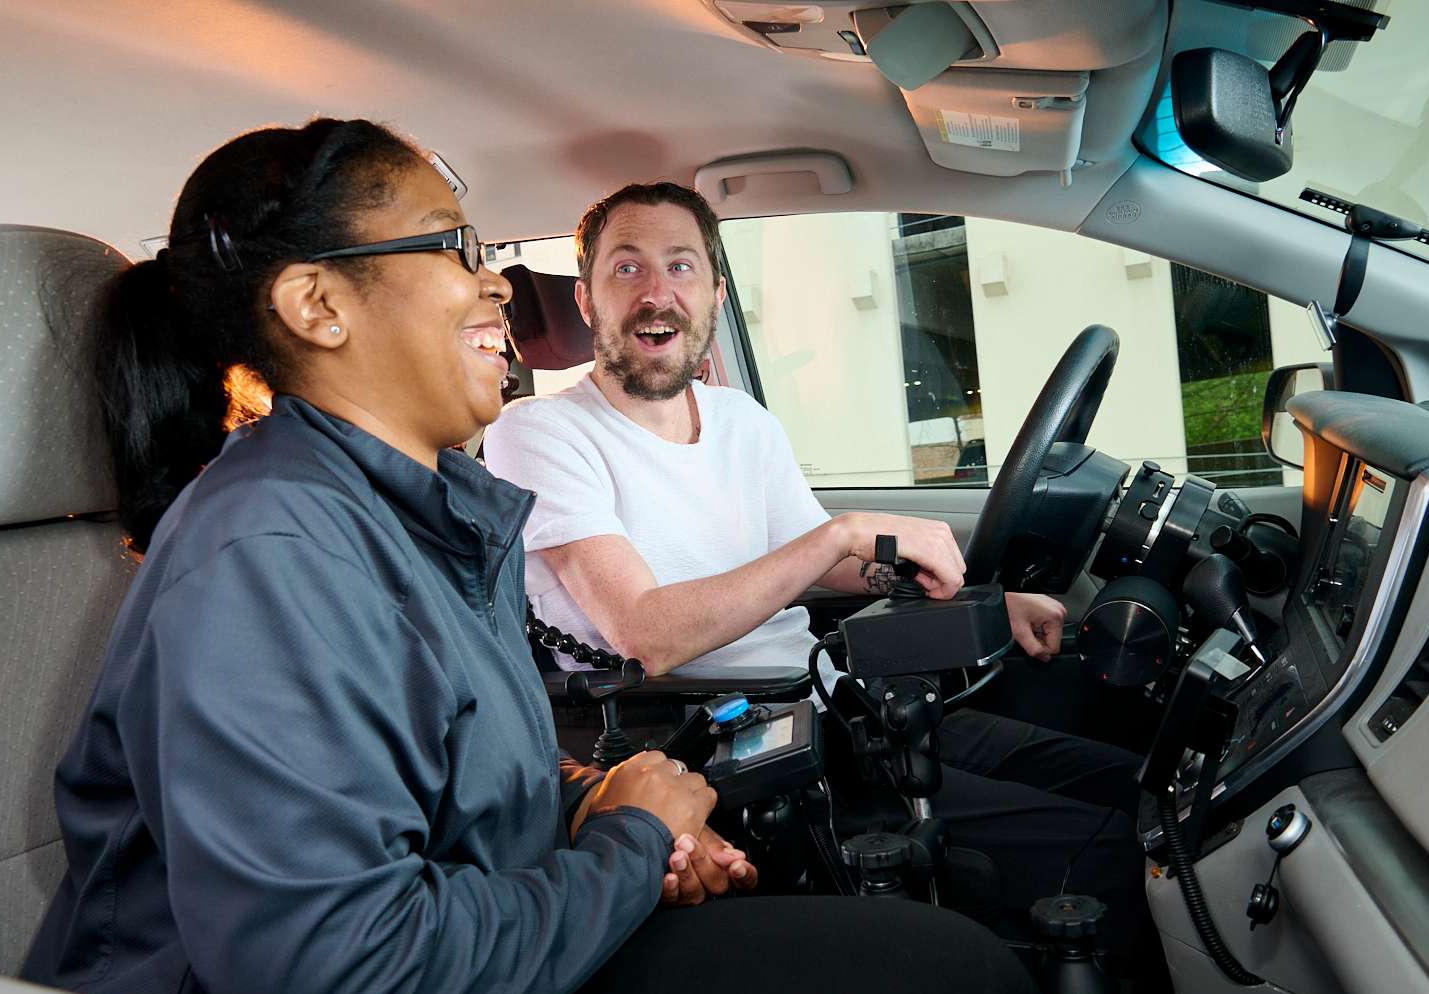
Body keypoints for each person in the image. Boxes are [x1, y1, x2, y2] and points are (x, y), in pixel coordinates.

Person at [21, 119, 1064, 994]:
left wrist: (591, 800)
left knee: (947, 978)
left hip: (480, 952)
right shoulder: (265, 549)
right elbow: (336, 982)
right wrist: (629, 843)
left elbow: (436, 781)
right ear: (318, 304)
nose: (493, 287)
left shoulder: (413, 511)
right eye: (451, 247)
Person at [482, 181, 1146, 951]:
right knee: (1106, 855)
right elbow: (644, 632)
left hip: (837, 705)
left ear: (714, 295)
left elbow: (822, 569)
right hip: (710, 751)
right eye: (626, 270)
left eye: (681, 267)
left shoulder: (741, 421)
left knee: (1130, 788)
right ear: (589, 300)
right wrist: (842, 535)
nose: (657, 294)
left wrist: (988, 605)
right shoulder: (538, 433)